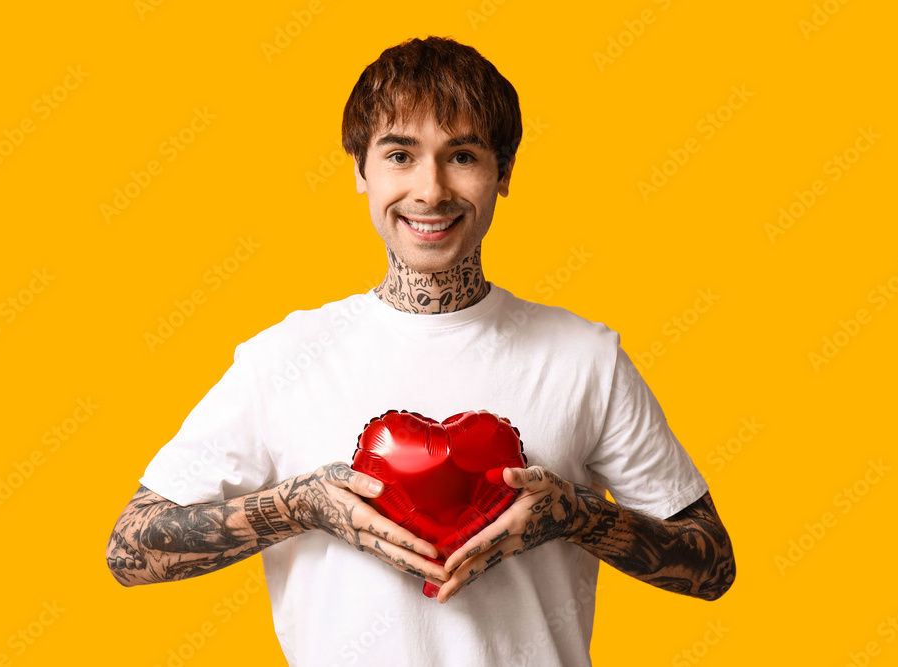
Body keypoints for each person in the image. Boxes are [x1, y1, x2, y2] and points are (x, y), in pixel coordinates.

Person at [106, 36, 735, 666]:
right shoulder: (284, 358)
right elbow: (131, 551)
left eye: (461, 156)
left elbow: (712, 564)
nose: (430, 191)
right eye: (401, 155)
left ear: (504, 172)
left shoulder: (585, 358)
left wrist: (577, 517)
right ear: (360, 170)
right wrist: (299, 506)